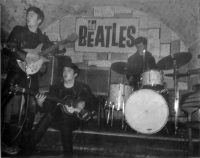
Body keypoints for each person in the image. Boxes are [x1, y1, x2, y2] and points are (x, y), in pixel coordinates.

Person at [1, 6, 58, 155]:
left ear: (39, 20)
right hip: (16, 72)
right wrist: (24, 55)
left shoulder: (42, 38)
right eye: (28, 14)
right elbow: (7, 48)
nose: (28, 16)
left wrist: (58, 49)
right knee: (3, 102)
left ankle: (24, 146)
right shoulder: (18, 30)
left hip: (32, 76)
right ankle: (2, 142)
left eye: (32, 15)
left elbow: (50, 53)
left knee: (31, 109)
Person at [24, 57, 96, 157]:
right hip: (57, 119)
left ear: (75, 75)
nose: (65, 73)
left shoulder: (83, 88)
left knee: (66, 119)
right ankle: (26, 151)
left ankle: (68, 155)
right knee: (48, 116)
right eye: (64, 70)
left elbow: (92, 105)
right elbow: (47, 108)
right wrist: (40, 103)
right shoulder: (55, 88)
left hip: (75, 120)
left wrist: (76, 109)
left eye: (69, 71)